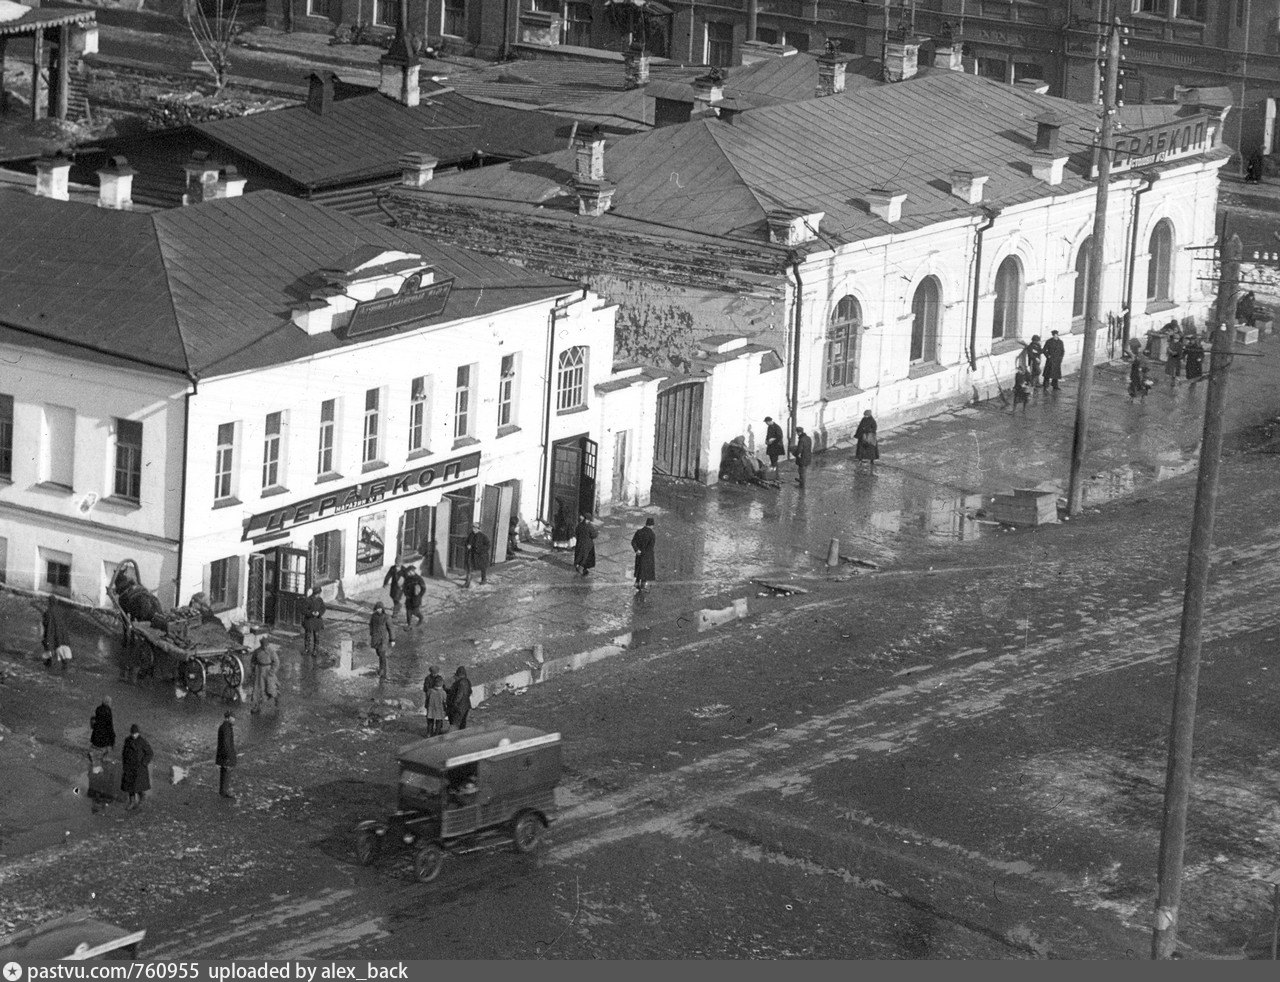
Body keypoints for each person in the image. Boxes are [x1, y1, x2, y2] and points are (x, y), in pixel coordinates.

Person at [120, 723, 152, 811]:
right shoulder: (127, 741)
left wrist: (144, 763)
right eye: (133, 733)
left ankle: (142, 798)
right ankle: (132, 802)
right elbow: (124, 753)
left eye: (135, 733)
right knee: (129, 786)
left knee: (138, 786)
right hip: (129, 767)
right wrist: (124, 764)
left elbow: (149, 753)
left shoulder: (142, 741)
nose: (134, 735)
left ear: (138, 733)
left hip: (139, 768)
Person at [250, 636, 280, 713]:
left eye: (266, 645)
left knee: (270, 688)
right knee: (258, 689)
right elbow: (253, 661)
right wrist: (253, 670)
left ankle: (276, 700)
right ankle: (257, 706)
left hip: (268, 671)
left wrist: (272, 671)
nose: (265, 647)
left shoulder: (271, 652)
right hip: (259, 671)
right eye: (264, 646)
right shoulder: (257, 651)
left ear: (268, 645)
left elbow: (276, 662)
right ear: (261, 645)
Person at [42, 596, 72, 670]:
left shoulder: (48, 612)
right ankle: (64, 665)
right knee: (63, 649)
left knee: (50, 647)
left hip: (52, 633)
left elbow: (47, 625)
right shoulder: (61, 611)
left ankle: (50, 664)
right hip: (63, 635)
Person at [369, 602, 394, 682]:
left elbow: (391, 628)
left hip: (383, 639)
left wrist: (392, 639)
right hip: (375, 638)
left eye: (380, 608)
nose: (379, 610)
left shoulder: (387, 617)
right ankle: (381, 669)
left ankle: (383, 672)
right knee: (379, 654)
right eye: (377, 608)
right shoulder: (373, 616)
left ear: (383, 609)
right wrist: (371, 633)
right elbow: (371, 625)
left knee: (382, 655)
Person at [631, 517, 656, 592]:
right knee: (645, 572)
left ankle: (637, 584)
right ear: (651, 525)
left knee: (639, 569)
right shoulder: (652, 534)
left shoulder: (639, 532)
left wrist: (637, 550)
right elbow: (651, 546)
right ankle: (642, 586)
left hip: (639, 554)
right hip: (647, 555)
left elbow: (633, 542)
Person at [216, 711, 236, 800]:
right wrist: (228, 756)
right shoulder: (227, 728)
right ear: (229, 718)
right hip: (226, 756)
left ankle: (222, 790)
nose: (234, 720)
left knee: (223, 772)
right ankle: (225, 791)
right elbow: (226, 743)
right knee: (227, 773)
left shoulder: (223, 727)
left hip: (222, 755)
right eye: (233, 718)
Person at [463, 523, 491, 588]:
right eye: (473, 527)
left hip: (481, 555)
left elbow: (488, 545)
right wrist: (467, 545)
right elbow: (466, 541)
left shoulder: (483, 536)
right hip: (472, 554)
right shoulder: (471, 535)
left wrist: (479, 548)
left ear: (479, 529)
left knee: (483, 568)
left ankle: (484, 579)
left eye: (476, 528)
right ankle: (467, 582)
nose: (474, 529)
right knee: (469, 567)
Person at [89, 696, 116, 764]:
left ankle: (94, 755)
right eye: (110, 702)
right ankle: (103, 757)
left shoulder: (98, 708)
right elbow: (109, 724)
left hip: (97, 732)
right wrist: (112, 735)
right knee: (107, 746)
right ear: (108, 703)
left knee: (96, 746)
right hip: (104, 733)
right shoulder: (108, 711)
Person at [301, 586, 325, 657]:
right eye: (317, 594)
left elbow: (323, 608)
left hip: (317, 621)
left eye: (318, 594)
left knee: (316, 636)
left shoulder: (320, 600)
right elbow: (303, 610)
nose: (318, 595)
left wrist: (319, 613)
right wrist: (311, 613)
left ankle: (315, 650)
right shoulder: (307, 600)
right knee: (308, 635)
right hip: (309, 620)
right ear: (315, 593)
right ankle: (307, 649)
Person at [447, 666, 473, 731]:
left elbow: (459, 694)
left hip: (459, 706)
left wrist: (454, 703)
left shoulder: (460, 683)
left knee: (455, 722)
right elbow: (470, 692)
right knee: (462, 723)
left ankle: (452, 737)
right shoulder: (467, 682)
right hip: (466, 705)